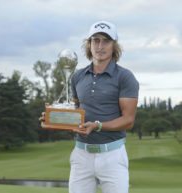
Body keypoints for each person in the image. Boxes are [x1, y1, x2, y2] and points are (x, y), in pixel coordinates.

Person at [69, 20, 139, 193]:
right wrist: (56, 119)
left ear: (114, 45)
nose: (100, 46)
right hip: (81, 155)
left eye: (106, 41)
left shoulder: (125, 77)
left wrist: (98, 126)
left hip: (112, 156)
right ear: (89, 44)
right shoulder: (77, 77)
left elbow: (128, 120)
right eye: (95, 40)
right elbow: (76, 113)